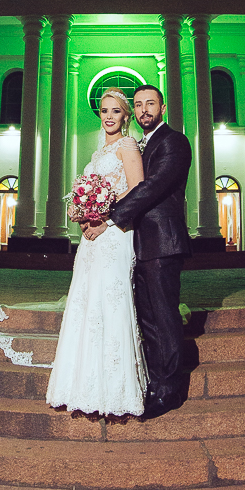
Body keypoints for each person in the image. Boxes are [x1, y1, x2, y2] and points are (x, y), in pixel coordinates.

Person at [86, 85, 192, 418]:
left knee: (164, 318)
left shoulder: (174, 142)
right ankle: (155, 383)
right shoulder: (140, 144)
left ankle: (170, 391)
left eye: (151, 104)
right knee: (148, 320)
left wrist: (108, 218)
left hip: (163, 242)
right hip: (138, 242)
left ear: (163, 108)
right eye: (139, 104)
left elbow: (151, 187)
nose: (145, 109)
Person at [45, 90, 148, 417]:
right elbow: (90, 191)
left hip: (115, 234)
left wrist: (106, 218)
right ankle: (81, 385)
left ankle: (116, 392)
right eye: (104, 110)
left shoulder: (127, 145)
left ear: (125, 116)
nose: (108, 116)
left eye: (115, 111)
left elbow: (138, 189)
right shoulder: (98, 150)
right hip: (91, 237)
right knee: (86, 301)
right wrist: (82, 212)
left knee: (110, 300)